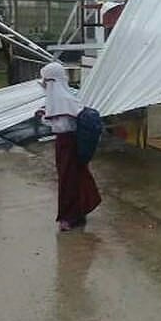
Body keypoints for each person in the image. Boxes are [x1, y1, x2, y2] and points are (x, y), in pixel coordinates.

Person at [41, 61, 101, 231]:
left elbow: (60, 124)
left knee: (68, 179)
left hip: (67, 143)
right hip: (70, 143)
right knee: (76, 177)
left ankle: (69, 216)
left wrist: (44, 117)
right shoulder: (67, 98)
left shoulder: (61, 99)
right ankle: (79, 211)